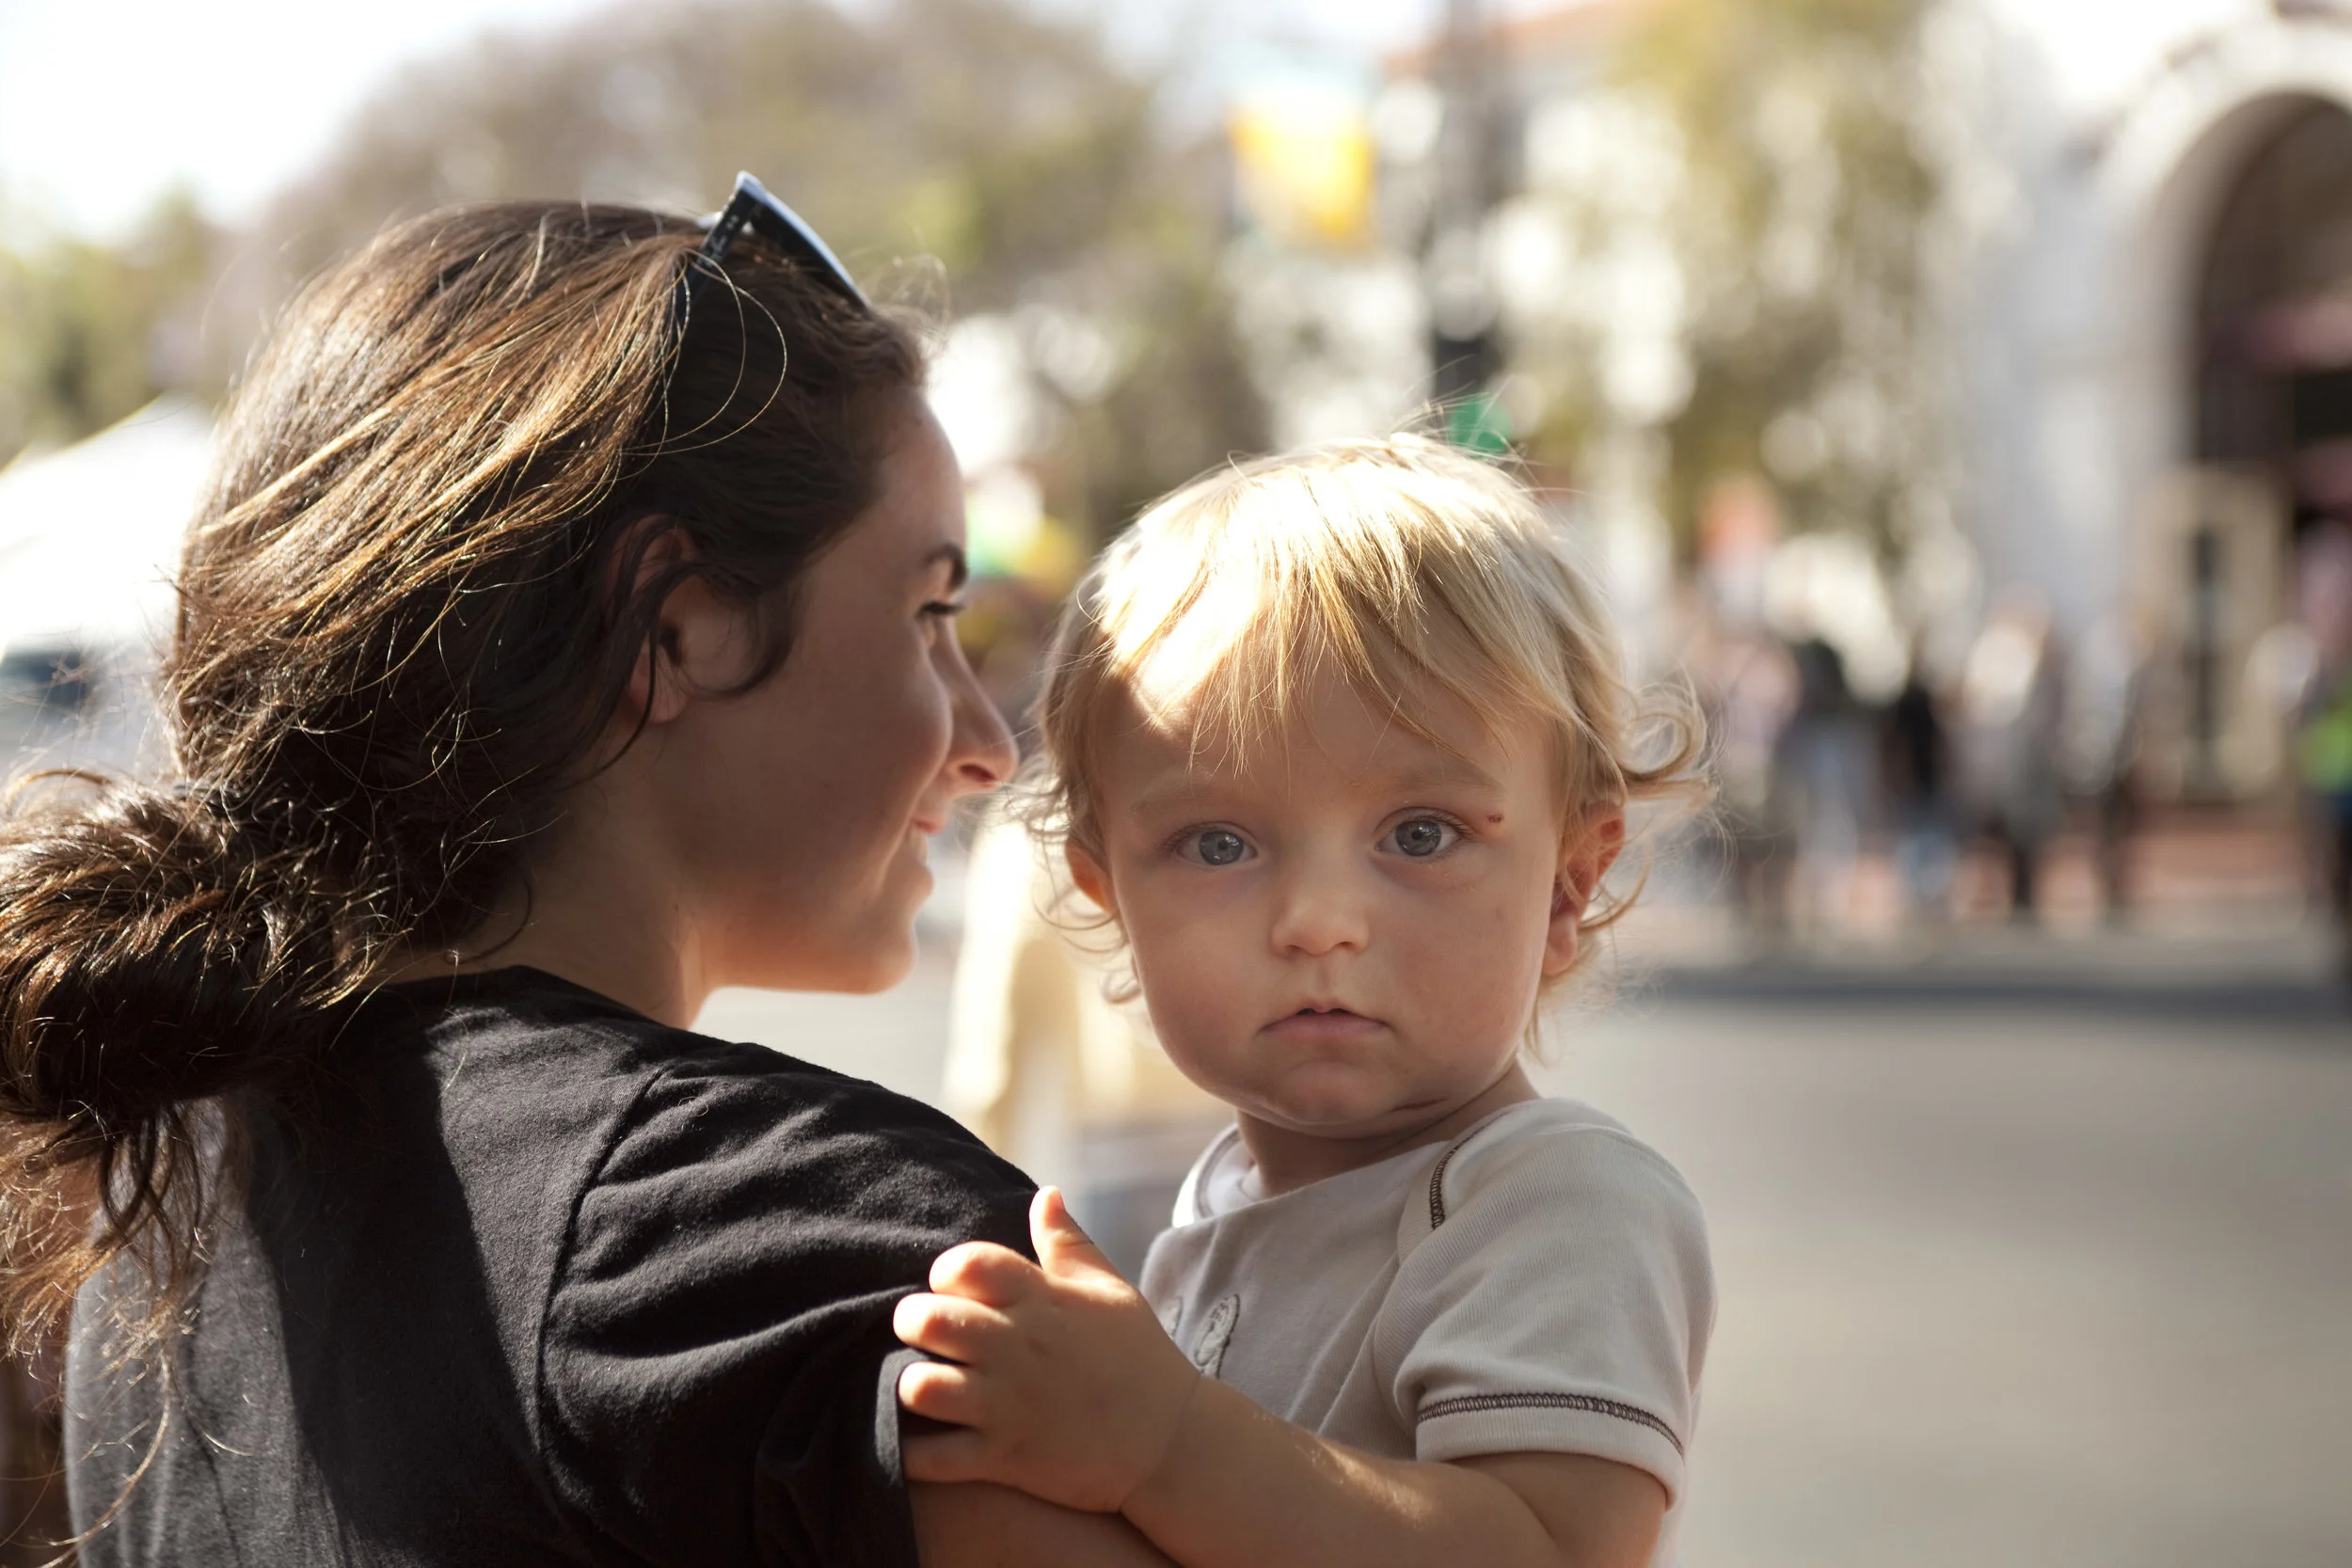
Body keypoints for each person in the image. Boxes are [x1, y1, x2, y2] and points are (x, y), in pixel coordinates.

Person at [0, 190, 1184, 1565]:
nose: (986, 743)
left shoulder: (169, 1199)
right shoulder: (834, 1279)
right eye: (928, 615)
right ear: (674, 629)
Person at [891, 437, 1715, 1568]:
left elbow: (1547, 1548)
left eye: (1420, 833)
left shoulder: (1551, 1198)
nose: (1318, 919)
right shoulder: (1216, 1200)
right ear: (1111, 896)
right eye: (1218, 842)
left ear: (1570, 879)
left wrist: (1161, 1440)